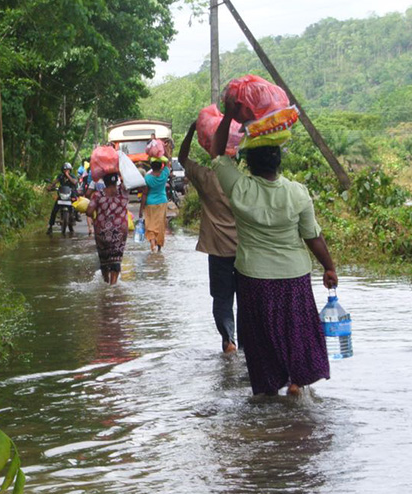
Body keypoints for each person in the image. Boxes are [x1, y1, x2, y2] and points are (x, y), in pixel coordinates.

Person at [209, 94, 337, 396]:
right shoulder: (297, 192)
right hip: (294, 278)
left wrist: (228, 115)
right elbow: (313, 237)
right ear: (279, 161)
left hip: (254, 279)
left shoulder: (239, 188)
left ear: (248, 162)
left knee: (262, 339)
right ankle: (296, 383)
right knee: (296, 332)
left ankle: (269, 390)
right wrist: (329, 268)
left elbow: (216, 153)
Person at [178, 122, 239, 354]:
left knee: (222, 299)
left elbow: (182, 158)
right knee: (246, 299)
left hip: (218, 250)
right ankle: (246, 343)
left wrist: (192, 130)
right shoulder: (243, 180)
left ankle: (228, 341)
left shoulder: (207, 177)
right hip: (246, 251)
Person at [86, 173, 128, 284]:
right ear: (117, 181)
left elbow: (89, 212)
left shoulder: (98, 195)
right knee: (116, 259)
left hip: (102, 232)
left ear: (104, 182)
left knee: (104, 260)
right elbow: (137, 183)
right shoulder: (123, 193)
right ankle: (112, 286)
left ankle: (105, 283)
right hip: (119, 231)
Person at [139, 160, 169, 252]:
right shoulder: (164, 174)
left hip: (150, 203)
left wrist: (141, 208)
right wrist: (166, 151)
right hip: (162, 202)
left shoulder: (147, 178)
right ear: (161, 166)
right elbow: (168, 162)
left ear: (151, 167)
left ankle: (152, 243)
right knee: (160, 224)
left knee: (150, 224)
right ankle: (159, 247)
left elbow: (144, 194)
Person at [46, 162, 78, 234]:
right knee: (54, 210)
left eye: (68, 170)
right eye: (64, 170)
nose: (66, 171)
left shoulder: (72, 176)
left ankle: (76, 216)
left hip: (70, 195)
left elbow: (75, 182)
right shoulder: (60, 176)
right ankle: (50, 227)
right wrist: (50, 187)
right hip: (62, 195)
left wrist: (68, 176)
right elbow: (55, 182)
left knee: (75, 205)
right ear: (62, 170)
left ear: (70, 170)